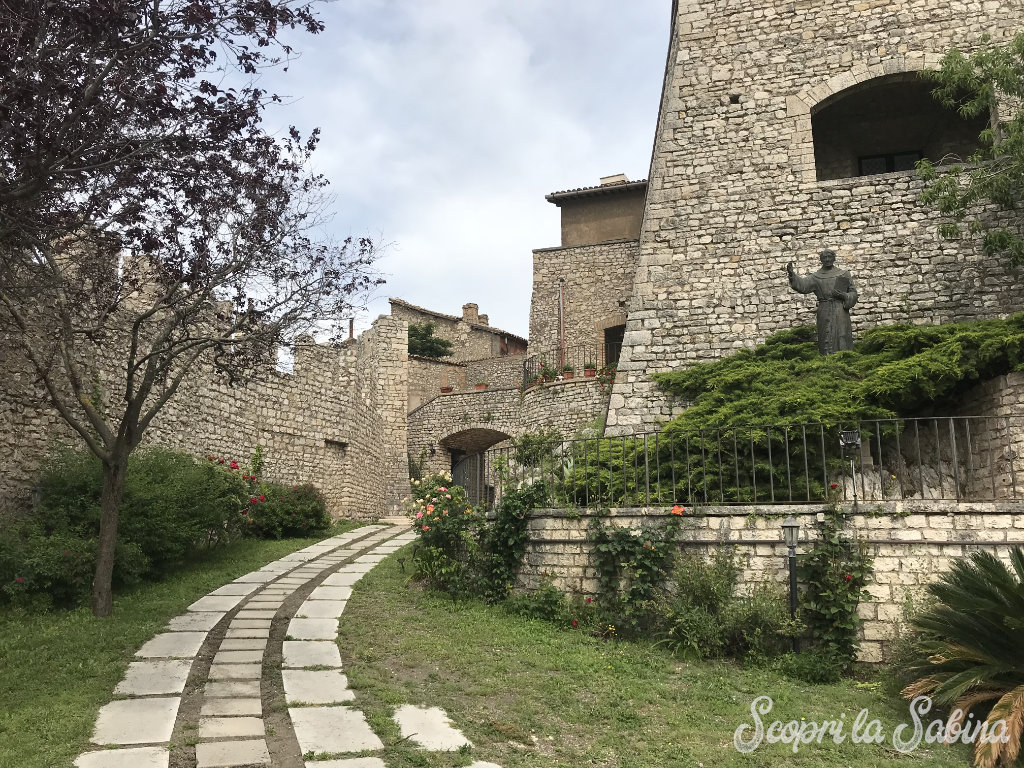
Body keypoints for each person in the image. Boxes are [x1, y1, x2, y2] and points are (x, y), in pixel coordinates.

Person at [786, 250, 858, 355]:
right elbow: (803, 285)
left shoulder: (844, 274)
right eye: (824, 257)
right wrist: (792, 275)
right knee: (825, 335)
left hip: (840, 309)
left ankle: (845, 357)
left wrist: (844, 296)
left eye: (829, 257)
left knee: (842, 334)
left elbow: (854, 293)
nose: (827, 259)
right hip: (824, 308)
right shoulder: (816, 276)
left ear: (834, 258)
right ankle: (827, 360)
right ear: (821, 260)